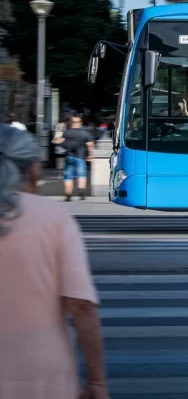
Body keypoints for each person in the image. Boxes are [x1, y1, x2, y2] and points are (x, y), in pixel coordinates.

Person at [0, 125, 108, 399]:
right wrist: (96, 380)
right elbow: (82, 306)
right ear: (34, 170)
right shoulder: (54, 217)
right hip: (40, 374)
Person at [52, 115, 94, 201]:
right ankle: (81, 192)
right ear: (80, 123)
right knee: (81, 174)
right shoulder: (85, 133)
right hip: (81, 157)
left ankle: (68, 195)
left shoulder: (66, 132)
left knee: (68, 176)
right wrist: (90, 155)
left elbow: (58, 141)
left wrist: (65, 145)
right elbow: (90, 145)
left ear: (71, 123)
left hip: (69, 156)